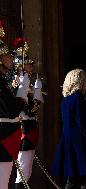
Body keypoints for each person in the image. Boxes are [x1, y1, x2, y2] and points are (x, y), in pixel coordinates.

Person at [11, 38, 45, 189]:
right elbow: (30, 109)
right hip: (24, 129)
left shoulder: (27, 84)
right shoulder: (18, 85)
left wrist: (35, 91)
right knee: (22, 173)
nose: (31, 68)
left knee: (27, 171)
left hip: (30, 128)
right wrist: (37, 93)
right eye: (29, 66)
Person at [51, 69, 86, 189]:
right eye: (85, 82)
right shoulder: (78, 99)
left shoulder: (66, 100)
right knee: (84, 179)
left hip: (68, 141)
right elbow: (82, 123)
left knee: (71, 178)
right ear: (80, 83)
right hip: (79, 143)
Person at [0, 22, 28, 189]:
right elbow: (10, 111)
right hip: (3, 136)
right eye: (8, 56)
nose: (12, 59)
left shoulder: (4, 81)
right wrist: (22, 95)